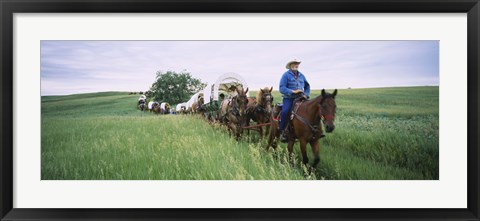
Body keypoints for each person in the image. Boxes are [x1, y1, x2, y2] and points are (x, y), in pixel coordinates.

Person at [279, 59, 311, 143]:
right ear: (290, 65)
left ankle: (315, 130)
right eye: (294, 63)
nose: (296, 65)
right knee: (285, 112)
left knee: (312, 109)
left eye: (297, 63)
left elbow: (307, 86)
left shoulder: (302, 75)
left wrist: (306, 94)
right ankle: (282, 131)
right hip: (289, 98)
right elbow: (282, 88)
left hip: (301, 97)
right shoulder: (286, 75)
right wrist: (293, 91)